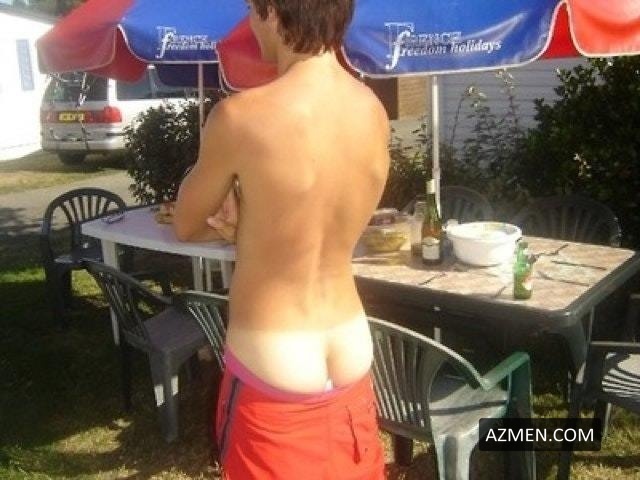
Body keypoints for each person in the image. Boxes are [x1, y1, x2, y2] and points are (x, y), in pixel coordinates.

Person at [173, 0, 390, 477]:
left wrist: (239, 212)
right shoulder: (373, 111)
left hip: (275, 359)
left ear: (272, 11)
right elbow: (324, 222)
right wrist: (252, 226)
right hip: (350, 345)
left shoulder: (240, 116)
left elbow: (185, 223)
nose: (251, 25)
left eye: (252, 11)